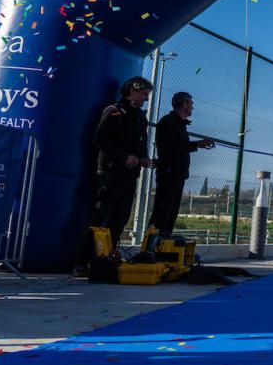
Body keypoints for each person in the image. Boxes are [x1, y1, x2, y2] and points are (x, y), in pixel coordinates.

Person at [74, 77, 155, 274]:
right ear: (133, 90)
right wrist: (124, 157)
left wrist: (143, 158)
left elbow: (140, 143)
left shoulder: (140, 117)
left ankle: (109, 258)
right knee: (100, 216)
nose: (146, 98)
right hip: (111, 172)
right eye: (144, 93)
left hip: (130, 175)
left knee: (120, 218)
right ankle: (82, 262)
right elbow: (99, 139)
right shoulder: (115, 111)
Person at [148, 92, 214, 237]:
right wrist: (196, 144)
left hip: (177, 175)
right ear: (184, 104)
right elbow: (171, 149)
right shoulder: (168, 122)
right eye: (191, 104)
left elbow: (179, 146)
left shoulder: (179, 124)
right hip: (168, 174)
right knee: (162, 212)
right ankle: (150, 247)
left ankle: (162, 245)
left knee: (171, 213)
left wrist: (196, 145)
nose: (192, 107)